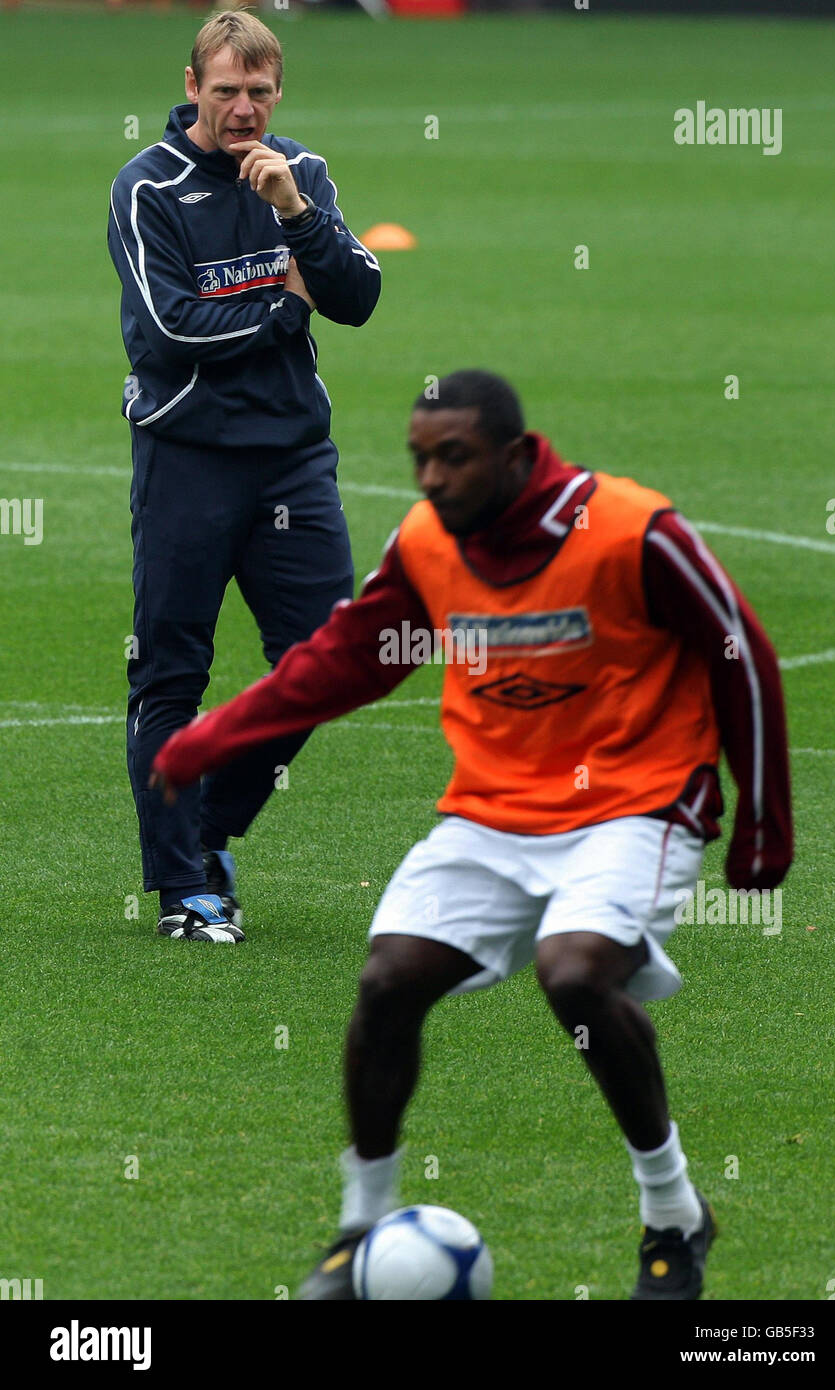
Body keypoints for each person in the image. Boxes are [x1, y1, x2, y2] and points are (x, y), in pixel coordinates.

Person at [151, 370, 793, 1298]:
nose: (433, 479)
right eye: (420, 459)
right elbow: (344, 658)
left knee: (573, 973)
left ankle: (672, 1214)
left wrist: (762, 826)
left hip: (634, 801)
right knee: (387, 980)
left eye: (453, 456)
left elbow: (742, 651)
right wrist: (213, 736)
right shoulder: (426, 543)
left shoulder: (631, 530)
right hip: (492, 811)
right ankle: (360, 1225)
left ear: (517, 455)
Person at [108, 9, 380, 942]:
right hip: (186, 461)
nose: (243, 109)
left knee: (324, 663)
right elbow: (170, 330)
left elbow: (357, 298)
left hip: (292, 461)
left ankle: (212, 830)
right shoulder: (148, 189)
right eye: (225, 91)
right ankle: (185, 891)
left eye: (259, 92)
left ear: (277, 91)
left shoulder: (299, 173)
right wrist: (281, 312)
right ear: (192, 87)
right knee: (171, 674)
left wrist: (299, 221)